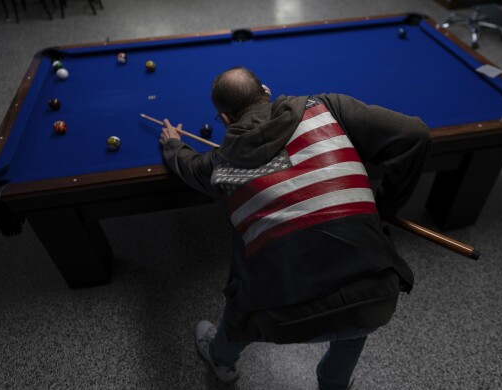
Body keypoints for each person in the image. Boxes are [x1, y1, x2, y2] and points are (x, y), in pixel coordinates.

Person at [159, 67, 431, 390]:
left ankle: (220, 359)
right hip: (376, 298)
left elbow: (185, 166)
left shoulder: (217, 168)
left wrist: (173, 145)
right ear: (267, 91)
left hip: (281, 319)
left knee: (241, 303)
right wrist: (381, 209)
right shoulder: (327, 107)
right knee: (360, 287)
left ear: (225, 119)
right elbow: (416, 135)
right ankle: (334, 384)